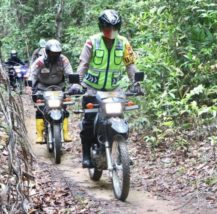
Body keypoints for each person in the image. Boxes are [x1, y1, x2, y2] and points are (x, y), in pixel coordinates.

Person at [77, 9, 141, 168]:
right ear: (101, 27)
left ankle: (122, 152)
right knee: (89, 121)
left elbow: (130, 65)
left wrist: (136, 83)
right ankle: (86, 155)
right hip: (93, 87)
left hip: (114, 88)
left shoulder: (124, 43)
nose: (110, 32)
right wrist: (76, 83)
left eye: (114, 28)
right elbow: (83, 65)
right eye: (107, 28)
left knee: (120, 117)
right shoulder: (92, 41)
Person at [30, 39, 73, 143]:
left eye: (57, 53)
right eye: (52, 53)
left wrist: (74, 85)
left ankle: (66, 132)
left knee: (64, 108)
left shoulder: (63, 60)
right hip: (42, 88)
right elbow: (32, 74)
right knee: (40, 109)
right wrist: (30, 86)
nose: (54, 55)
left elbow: (70, 74)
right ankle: (39, 134)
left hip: (59, 87)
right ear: (47, 52)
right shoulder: (40, 61)